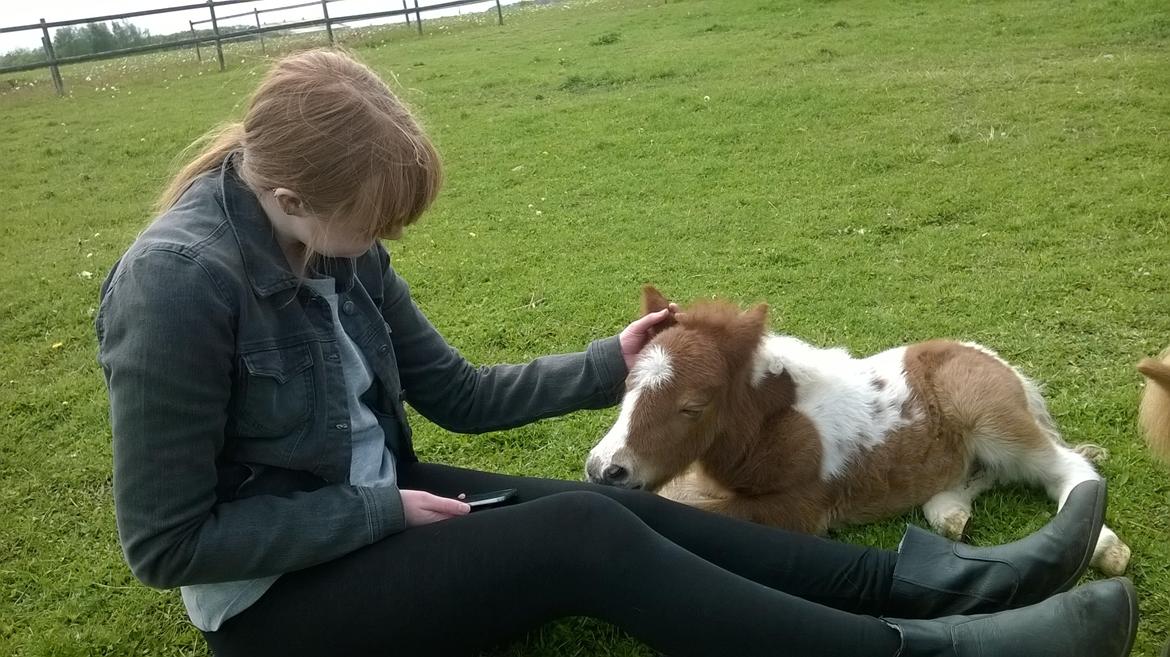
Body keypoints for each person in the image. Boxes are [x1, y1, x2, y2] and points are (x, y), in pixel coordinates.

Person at [95, 49, 1138, 657]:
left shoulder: (325, 230)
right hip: (278, 600)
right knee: (581, 541)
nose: (381, 251)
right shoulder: (177, 286)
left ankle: (942, 587)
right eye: (371, 228)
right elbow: (169, 545)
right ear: (288, 201)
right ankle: (934, 650)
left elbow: (451, 390)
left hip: (382, 499)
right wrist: (375, 511)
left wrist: (614, 360)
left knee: (623, 502)